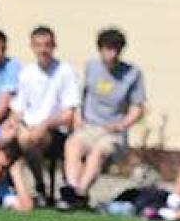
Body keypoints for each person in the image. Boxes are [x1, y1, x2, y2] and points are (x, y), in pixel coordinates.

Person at [58, 28, 146, 211]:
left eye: (116, 50)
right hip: (89, 127)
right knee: (72, 145)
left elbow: (138, 107)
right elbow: (80, 97)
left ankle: (80, 193)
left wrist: (123, 124)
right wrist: (77, 120)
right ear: (100, 49)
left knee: (98, 152)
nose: (112, 54)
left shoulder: (132, 74)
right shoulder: (91, 67)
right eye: (108, 49)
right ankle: (71, 191)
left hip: (112, 133)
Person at [9, 26, 79, 201]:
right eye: (38, 45)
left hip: (55, 131)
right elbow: (19, 109)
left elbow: (69, 114)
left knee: (30, 139)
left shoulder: (65, 71)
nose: (43, 50)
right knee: (15, 137)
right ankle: (30, 187)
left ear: (54, 46)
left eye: (47, 45)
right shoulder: (26, 73)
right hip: (29, 128)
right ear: (32, 47)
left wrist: (45, 124)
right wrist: (13, 125)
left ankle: (40, 186)